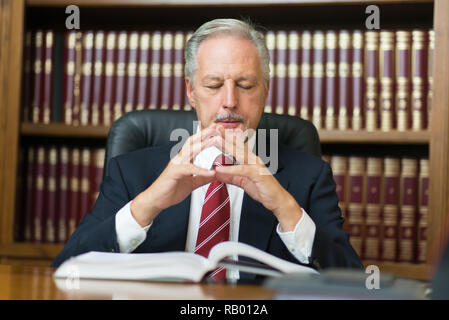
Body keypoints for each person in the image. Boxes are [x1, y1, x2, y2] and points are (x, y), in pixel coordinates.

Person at [52, 19, 363, 280]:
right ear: (190, 91)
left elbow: (351, 282)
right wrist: (147, 205)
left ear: (266, 91)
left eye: (245, 85)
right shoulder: (132, 171)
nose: (229, 101)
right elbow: (66, 269)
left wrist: (285, 207)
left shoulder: (309, 176)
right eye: (214, 85)